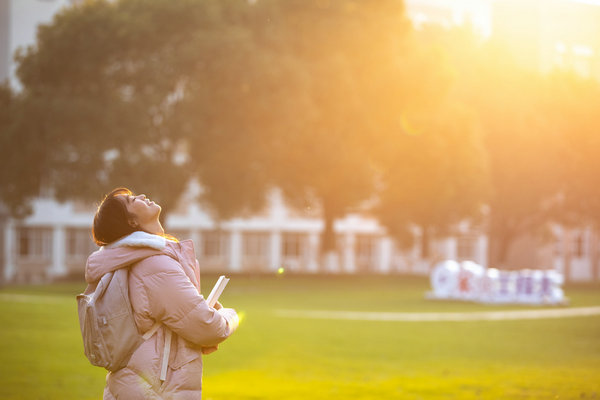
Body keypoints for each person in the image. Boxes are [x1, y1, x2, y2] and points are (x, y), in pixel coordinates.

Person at [85, 187, 239, 400]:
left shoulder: (137, 260)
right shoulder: (154, 265)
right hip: (155, 391)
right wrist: (230, 316)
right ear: (131, 222)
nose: (140, 195)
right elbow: (208, 327)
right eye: (131, 201)